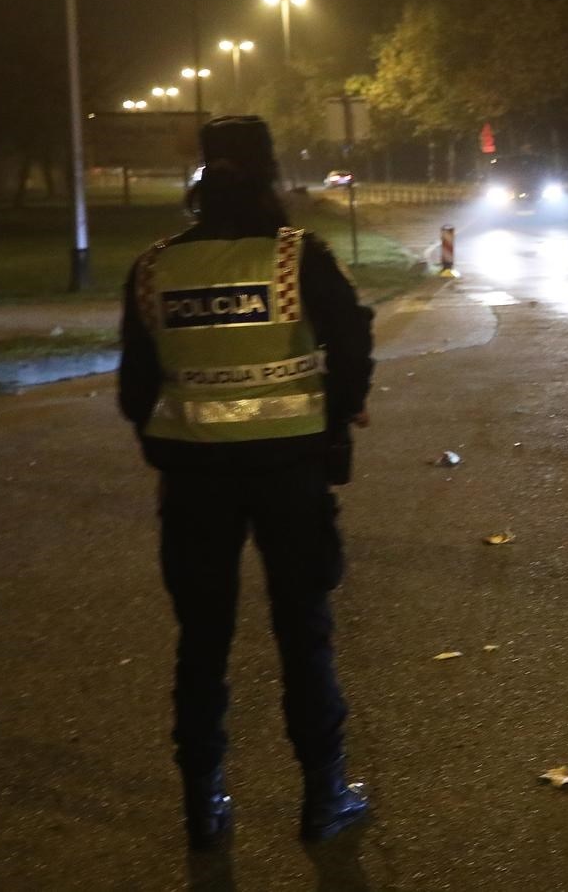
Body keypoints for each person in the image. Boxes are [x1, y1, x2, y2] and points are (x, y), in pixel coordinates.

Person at [118, 116, 376, 848]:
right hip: (291, 475)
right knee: (304, 633)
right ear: (269, 175)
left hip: (194, 480)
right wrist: (338, 412)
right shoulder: (298, 256)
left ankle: (204, 806)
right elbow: (352, 338)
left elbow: (136, 389)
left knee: (201, 639)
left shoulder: (152, 268)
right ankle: (324, 797)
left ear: (202, 177)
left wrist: (168, 441)